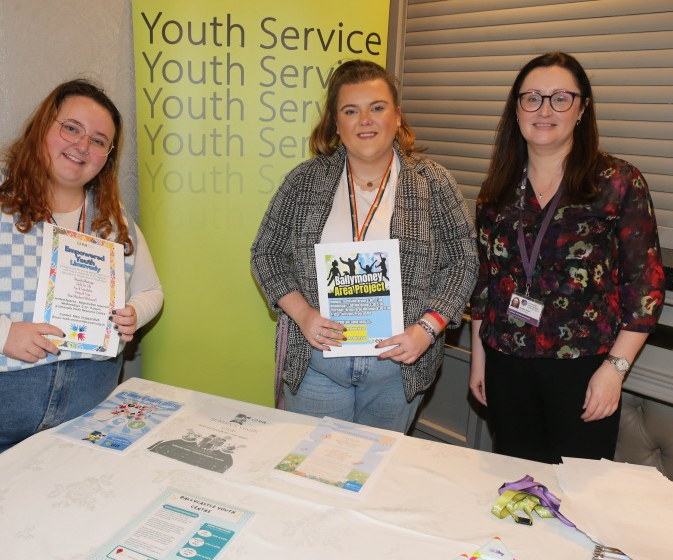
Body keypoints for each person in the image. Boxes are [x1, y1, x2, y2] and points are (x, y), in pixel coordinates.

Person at [0, 79, 163, 498]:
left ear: (108, 157)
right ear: (42, 127)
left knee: (67, 532)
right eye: (71, 128)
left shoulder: (113, 217)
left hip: (85, 407)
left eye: (99, 141)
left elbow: (150, 291)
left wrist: (135, 314)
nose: (82, 146)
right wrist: (1, 333)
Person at [251, 59, 478, 433]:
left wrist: (428, 327)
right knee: (311, 471)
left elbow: (463, 262)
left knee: (374, 476)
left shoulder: (433, 183)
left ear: (398, 116)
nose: (365, 120)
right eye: (351, 111)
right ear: (336, 125)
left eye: (377, 108)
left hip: (398, 372)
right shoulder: (304, 181)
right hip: (317, 366)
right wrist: (303, 314)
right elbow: (266, 253)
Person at [469, 52, 665, 464]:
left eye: (560, 98)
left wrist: (616, 369)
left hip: (583, 369)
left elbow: (645, 286)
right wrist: (479, 360)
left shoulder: (616, 181)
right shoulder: (498, 190)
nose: (545, 109)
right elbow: (487, 284)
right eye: (532, 98)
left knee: (577, 497)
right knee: (517, 487)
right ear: (517, 109)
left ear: (582, 108)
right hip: (506, 362)